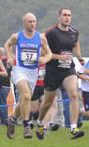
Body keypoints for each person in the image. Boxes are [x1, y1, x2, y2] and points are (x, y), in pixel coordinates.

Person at [36, 8, 85, 140]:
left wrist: (79, 55)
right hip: (53, 70)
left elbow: (75, 43)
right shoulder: (51, 33)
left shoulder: (74, 32)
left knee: (74, 94)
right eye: (64, 15)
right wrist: (59, 57)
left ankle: (73, 129)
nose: (67, 17)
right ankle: (40, 123)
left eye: (69, 15)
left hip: (68, 69)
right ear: (59, 17)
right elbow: (42, 52)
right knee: (48, 102)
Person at [4, 12, 52, 139]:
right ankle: (26, 125)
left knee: (24, 100)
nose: (32, 24)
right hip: (19, 69)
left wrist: (45, 59)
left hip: (33, 72)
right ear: (24, 23)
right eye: (29, 21)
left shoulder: (41, 37)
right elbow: (7, 45)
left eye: (34, 21)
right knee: (26, 96)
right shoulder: (17, 36)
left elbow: (49, 54)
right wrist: (9, 57)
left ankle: (12, 121)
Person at [0, 47, 12, 125]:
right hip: (8, 86)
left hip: (2, 86)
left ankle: (4, 120)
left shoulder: (0, 62)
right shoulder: (8, 62)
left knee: (2, 104)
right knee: (4, 103)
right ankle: (5, 119)